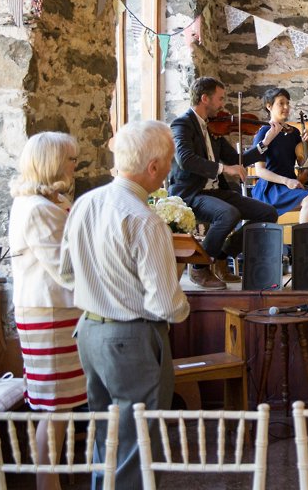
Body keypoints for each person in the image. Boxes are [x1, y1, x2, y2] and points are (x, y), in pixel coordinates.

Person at [60, 120, 189, 490]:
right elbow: (166, 305)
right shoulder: (145, 221)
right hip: (131, 340)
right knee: (136, 448)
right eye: (168, 162)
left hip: (88, 333)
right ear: (152, 167)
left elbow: (66, 273)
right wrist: (183, 308)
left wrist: (103, 289)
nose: (169, 169)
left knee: (107, 437)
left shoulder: (85, 203)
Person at [8, 132, 87, 490]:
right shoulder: (37, 209)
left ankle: (56, 476)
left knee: (64, 404)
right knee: (54, 406)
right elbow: (64, 267)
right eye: (70, 158)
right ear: (52, 162)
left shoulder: (49, 202)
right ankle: (46, 482)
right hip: (48, 311)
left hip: (58, 309)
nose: (75, 165)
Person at [169, 76, 279, 288]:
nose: (222, 104)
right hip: (192, 194)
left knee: (268, 213)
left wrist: (265, 143)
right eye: (219, 99)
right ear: (205, 99)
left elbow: (237, 161)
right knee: (228, 214)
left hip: (215, 191)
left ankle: (221, 256)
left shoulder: (214, 128)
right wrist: (223, 169)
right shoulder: (182, 124)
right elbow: (186, 159)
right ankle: (200, 269)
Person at [251, 87, 308, 224]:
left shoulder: (294, 133)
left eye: (288, 103)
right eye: (281, 103)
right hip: (270, 188)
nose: (286, 107)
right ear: (269, 106)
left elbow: (306, 162)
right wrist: (287, 181)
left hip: (290, 185)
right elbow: (260, 171)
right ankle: (303, 245)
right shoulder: (263, 133)